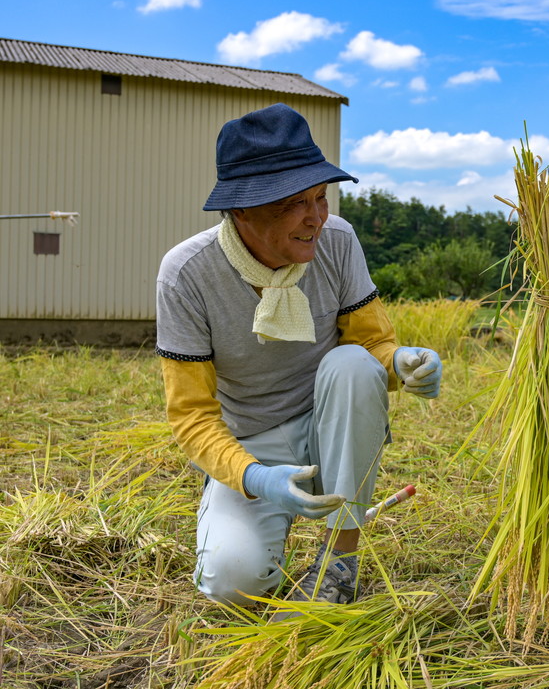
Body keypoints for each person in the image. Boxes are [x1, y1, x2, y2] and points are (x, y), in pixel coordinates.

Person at [155, 103, 442, 611]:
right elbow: (192, 415)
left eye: (321, 196)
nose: (316, 217)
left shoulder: (338, 241)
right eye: (294, 204)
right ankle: (251, 519)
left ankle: (339, 562)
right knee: (231, 584)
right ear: (241, 210)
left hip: (329, 416)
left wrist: (401, 363)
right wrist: (254, 476)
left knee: (351, 364)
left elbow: (371, 343)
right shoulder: (187, 275)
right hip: (250, 441)